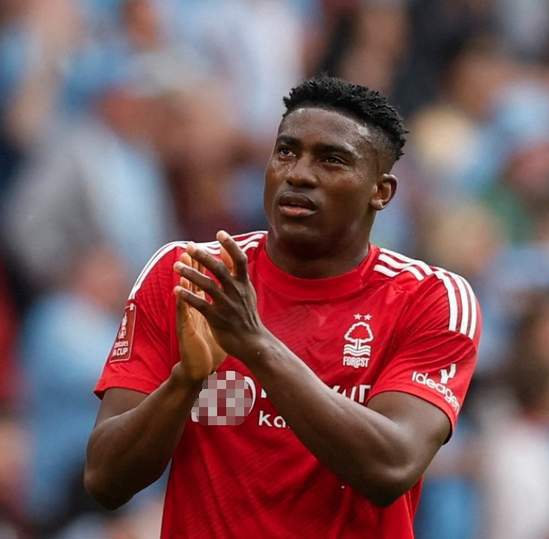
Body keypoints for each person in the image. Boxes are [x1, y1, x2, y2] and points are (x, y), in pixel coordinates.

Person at [84, 76, 482, 538]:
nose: (298, 174)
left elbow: (391, 466)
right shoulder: (191, 274)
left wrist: (255, 345)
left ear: (381, 191)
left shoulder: (431, 298)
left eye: (331, 159)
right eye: (286, 152)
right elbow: (105, 480)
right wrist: (185, 381)